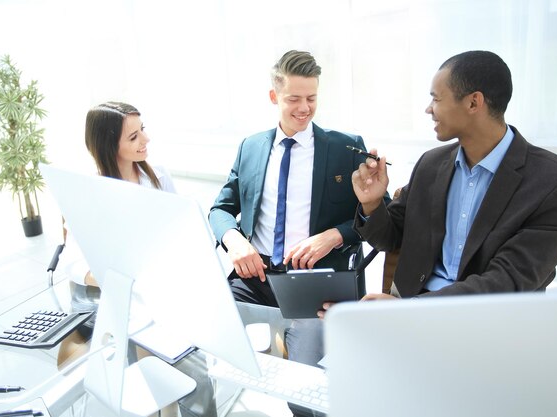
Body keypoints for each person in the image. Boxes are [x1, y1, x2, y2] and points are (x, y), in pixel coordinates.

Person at [209, 50, 388, 417]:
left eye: (312, 98)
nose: (305, 108)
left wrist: (334, 236)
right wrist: (234, 240)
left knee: (305, 393)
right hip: (255, 274)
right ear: (274, 97)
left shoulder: (344, 146)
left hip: (312, 282)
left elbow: (374, 218)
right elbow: (220, 210)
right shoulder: (251, 147)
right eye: (294, 99)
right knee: (204, 337)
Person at [334, 50, 557, 304]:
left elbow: (507, 281)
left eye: (436, 99)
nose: (428, 109)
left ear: (473, 102)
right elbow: (389, 239)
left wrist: (409, 310)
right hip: (412, 304)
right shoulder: (431, 164)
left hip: (488, 320)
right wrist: (372, 203)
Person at [57, 102, 215, 417]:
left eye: (142, 129)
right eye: (133, 136)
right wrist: (105, 276)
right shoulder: (90, 194)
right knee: (154, 367)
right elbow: (72, 262)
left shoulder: (158, 179)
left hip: (164, 289)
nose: (146, 139)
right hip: (124, 299)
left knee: (192, 378)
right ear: (108, 145)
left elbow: (185, 230)